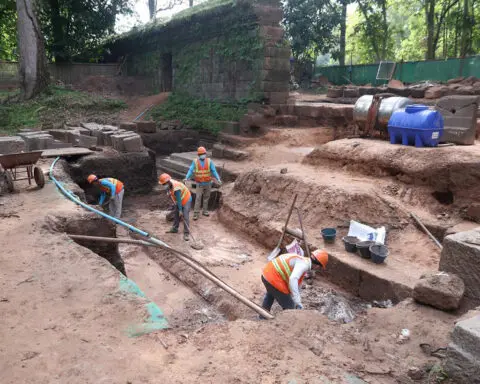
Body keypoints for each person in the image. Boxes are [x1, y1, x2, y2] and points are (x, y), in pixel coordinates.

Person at [261, 250, 329, 313]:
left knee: (271, 294)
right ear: (317, 266)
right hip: (272, 278)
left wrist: (296, 298)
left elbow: (297, 283)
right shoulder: (304, 265)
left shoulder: (302, 260)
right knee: (290, 307)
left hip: (266, 274)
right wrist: (297, 301)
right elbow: (293, 279)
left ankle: (262, 317)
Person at [184, 146, 221, 220]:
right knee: (198, 198)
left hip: (208, 183)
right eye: (201, 154)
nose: (203, 155)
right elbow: (191, 170)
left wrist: (218, 178)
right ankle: (196, 214)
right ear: (198, 155)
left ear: (205, 154)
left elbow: (213, 171)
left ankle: (205, 211)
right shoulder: (195, 162)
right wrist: (187, 177)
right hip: (199, 183)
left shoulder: (209, 161)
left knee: (206, 198)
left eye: (204, 153)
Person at [159, 173, 192, 241]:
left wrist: (180, 210)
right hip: (179, 200)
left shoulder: (176, 188)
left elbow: (179, 200)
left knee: (185, 216)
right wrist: (168, 192)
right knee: (176, 214)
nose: (163, 185)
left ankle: (186, 233)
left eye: (164, 184)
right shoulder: (169, 184)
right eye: (163, 184)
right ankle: (174, 228)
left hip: (186, 199)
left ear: (167, 182)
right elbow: (170, 191)